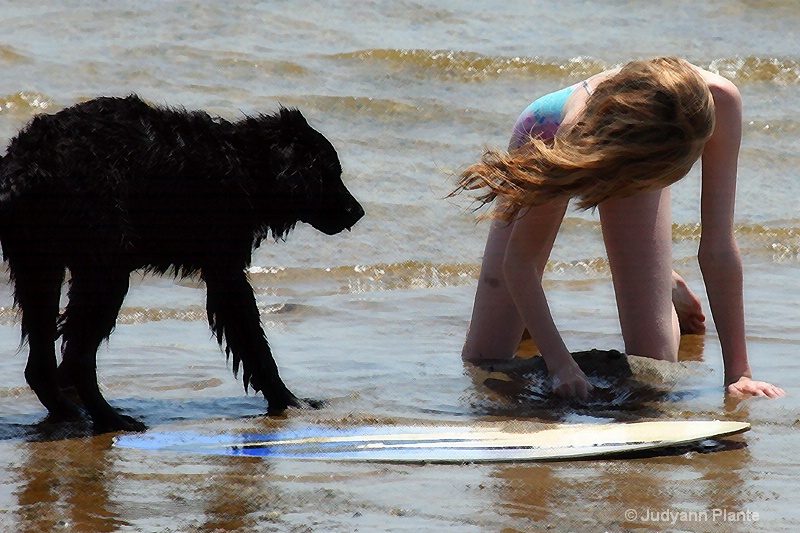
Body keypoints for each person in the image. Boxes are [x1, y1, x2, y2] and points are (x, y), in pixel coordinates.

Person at [454, 57, 784, 401]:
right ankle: (528, 317)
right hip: (555, 137)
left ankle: (659, 281)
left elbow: (718, 247)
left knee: (653, 361)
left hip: (646, 140)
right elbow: (520, 262)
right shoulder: (571, 133)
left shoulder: (721, 102)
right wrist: (560, 363)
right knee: (484, 358)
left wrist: (739, 372)